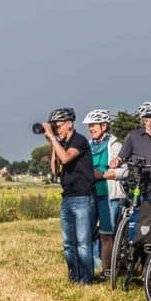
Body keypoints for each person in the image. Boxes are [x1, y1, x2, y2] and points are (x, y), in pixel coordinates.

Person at [43, 107, 95, 285]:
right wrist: (54, 143)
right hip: (67, 197)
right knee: (68, 244)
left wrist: (52, 138)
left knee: (83, 243)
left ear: (69, 124)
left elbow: (65, 159)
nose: (56, 130)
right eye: (54, 127)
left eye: (58, 126)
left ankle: (86, 279)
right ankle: (74, 276)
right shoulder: (62, 143)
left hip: (82, 198)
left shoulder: (78, 141)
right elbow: (55, 169)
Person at [84, 109, 128, 280]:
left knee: (106, 234)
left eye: (93, 125)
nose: (90, 128)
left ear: (104, 125)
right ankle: (91, 266)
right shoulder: (88, 145)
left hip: (109, 195)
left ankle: (107, 270)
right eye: (89, 126)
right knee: (88, 232)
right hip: (91, 194)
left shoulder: (115, 145)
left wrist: (103, 175)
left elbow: (124, 172)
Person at [111, 101, 151, 191]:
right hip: (141, 188)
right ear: (146, 120)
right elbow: (121, 157)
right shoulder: (134, 136)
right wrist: (116, 161)